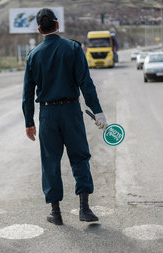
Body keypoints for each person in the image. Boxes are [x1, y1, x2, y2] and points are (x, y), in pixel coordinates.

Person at [22, 8, 107, 225]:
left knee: (50, 162)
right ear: (57, 26)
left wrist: (29, 122)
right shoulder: (73, 48)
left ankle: (56, 213)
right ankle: (84, 208)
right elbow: (85, 83)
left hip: (48, 114)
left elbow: (27, 94)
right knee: (79, 157)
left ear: (40, 29)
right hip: (70, 111)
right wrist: (98, 111)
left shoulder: (33, 56)